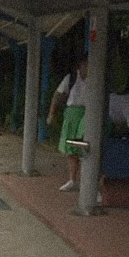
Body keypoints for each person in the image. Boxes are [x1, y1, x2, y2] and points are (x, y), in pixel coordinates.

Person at [47, 56, 89, 192]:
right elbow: (58, 95)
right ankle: (72, 180)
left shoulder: (97, 79)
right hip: (71, 114)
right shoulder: (70, 78)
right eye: (86, 64)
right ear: (80, 65)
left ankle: (88, 183)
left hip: (88, 114)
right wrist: (51, 114)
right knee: (70, 147)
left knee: (86, 146)